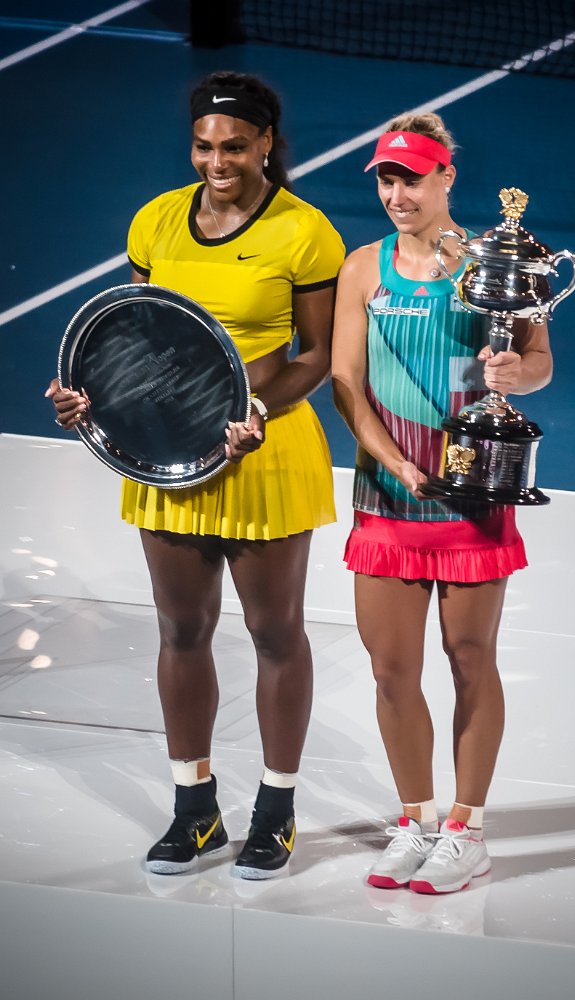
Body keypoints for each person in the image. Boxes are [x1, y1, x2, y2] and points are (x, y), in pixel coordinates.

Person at [46, 70, 345, 879]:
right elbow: (134, 340)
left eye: (235, 147)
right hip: (168, 457)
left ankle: (275, 812)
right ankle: (195, 810)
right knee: (181, 630)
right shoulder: (155, 221)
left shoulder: (304, 232)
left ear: (266, 145)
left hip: (264, 450)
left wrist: (255, 410)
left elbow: (317, 355)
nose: (218, 161)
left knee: (275, 633)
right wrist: (87, 399)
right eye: (205, 146)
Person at [331, 112, 552, 894]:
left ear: (446, 177)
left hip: (471, 498)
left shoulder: (496, 265)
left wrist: (514, 378)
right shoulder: (363, 268)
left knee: (469, 660)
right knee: (392, 669)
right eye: (387, 181)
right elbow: (346, 382)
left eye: (412, 180)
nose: (397, 196)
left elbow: (539, 361)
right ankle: (414, 820)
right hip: (387, 496)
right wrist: (394, 460)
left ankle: (467, 830)